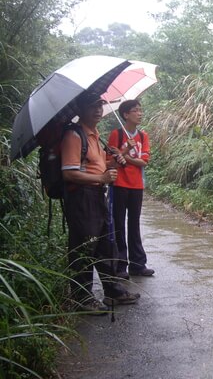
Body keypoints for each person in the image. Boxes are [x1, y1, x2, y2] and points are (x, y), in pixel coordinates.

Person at [61, 92, 140, 314]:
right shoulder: (74, 136)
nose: (98, 109)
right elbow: (69, 173)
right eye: (92, 105)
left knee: (106, 245)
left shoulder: (94, 134)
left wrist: (115, 160)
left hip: (97, 195)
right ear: (80, 110)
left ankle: (113, 292)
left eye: (100, 105)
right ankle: (82, 299)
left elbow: (99, 164)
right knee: (85, 247)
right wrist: (101, 179)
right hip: (82, 198)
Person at [107, 99, 154, 279]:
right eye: (135, 110)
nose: (139, 113)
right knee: (119, 224)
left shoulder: (143, 136)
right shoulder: (116, 135)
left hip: (136, 186)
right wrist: (125, 150)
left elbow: (144, 162)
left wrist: (126, 158)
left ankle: (138, 264)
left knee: (134, 224)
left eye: (140, 110)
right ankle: (120, 266)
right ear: (126, 114)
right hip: (119, 184)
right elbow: (111, 161)